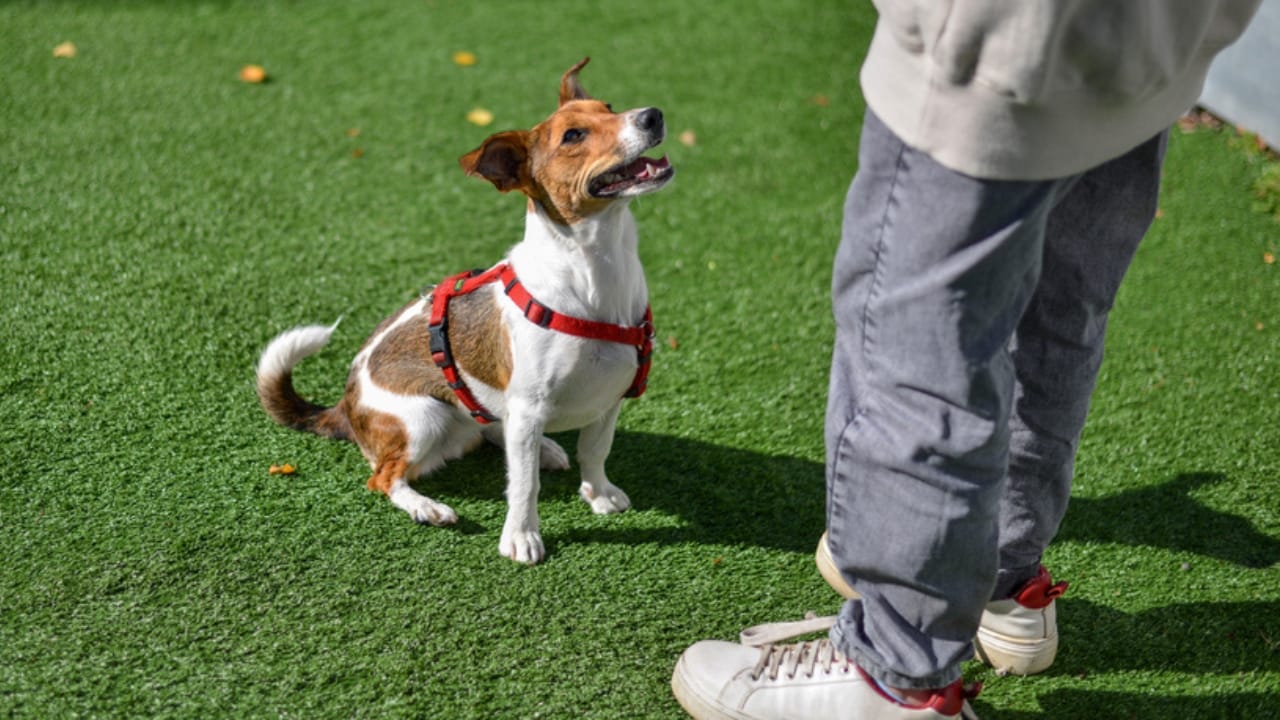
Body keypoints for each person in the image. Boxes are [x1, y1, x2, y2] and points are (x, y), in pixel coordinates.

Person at [670, 1, 1262, 718]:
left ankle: (897, 671)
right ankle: (1003, 580)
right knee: (1056, 312)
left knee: (918, 330)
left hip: (998, 37)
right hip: (1153, 39)